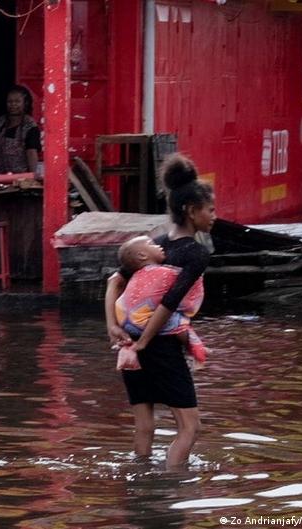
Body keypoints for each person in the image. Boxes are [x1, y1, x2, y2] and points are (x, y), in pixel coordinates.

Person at [103, 153, 216, 470]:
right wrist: (145, 342)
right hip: (159, 346)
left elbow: (114, 282)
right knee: (190, 427)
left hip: (129, 346)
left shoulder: (154, 246)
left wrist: (112, 327)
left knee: (145, 426)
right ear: (191, 211)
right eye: (210, 209)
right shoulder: (196, 253)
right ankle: (170, 488)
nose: (214, 216)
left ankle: (138, 488)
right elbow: (169, 303)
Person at [114, 235, 209, 370]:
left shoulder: (136, 275)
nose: (160, 246)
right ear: (142, 255)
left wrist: (113, 325)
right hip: (140, 323)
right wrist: (198, 274)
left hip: (124, 322)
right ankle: (196, 349)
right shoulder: (164, 272)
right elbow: (187, 283)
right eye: (152, 245)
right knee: (179, 322)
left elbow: (114, 283)